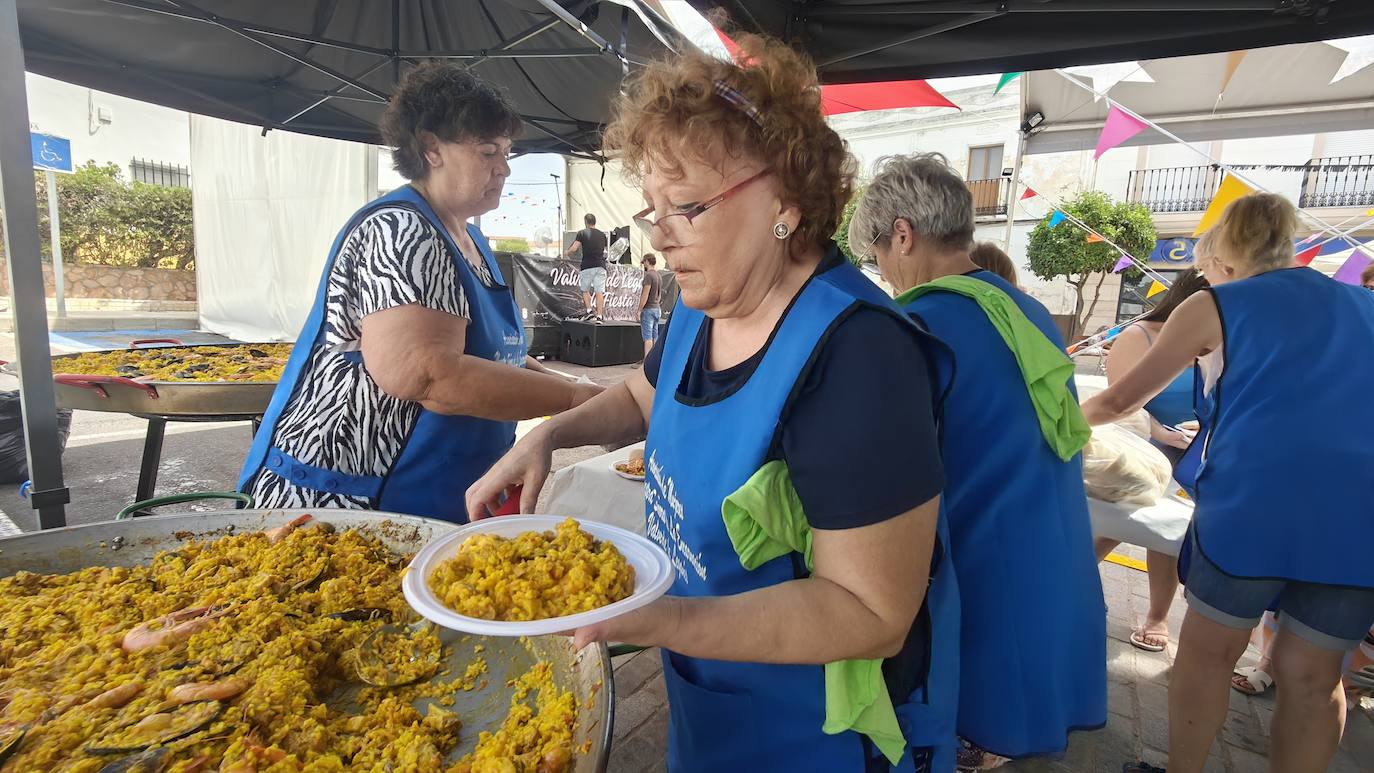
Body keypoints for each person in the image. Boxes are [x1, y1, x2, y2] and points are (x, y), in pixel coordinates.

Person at [469, 36, 963, 772]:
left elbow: (871, 612)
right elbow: (645, 394)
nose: (660, 236)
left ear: (785, 199)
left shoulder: (859, 356)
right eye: (653, 209)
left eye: (688, 207)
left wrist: (666, 618)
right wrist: (550, 435)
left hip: (818, 733)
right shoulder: (705, 303)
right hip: (712, 690)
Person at [1081, 193, 1374, 773]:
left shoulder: (1215, 303)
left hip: (1253, 504)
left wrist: (1046, 421)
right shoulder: (1362, 303)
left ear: (1223, 258)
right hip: (1356, 516)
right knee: (1315, 678)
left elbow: (1120, 400)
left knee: (1208, 655)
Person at [238, 64, 601, 524]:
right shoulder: (400, 229)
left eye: (507, 152)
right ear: (431, 148)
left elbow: (494, 356)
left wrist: (583, 392)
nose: (504, 168)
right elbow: (429, 375)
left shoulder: (471, 240)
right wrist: (573, 402)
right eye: (488, 151)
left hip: (437, 491)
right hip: (345, 502)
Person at [848, 153, 1106, 767]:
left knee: (969, 713)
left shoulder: (917, 324)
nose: (883, 272)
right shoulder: (1025, 308)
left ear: (903, 234)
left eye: (877, 254)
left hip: (980, 562)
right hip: (1051, 553)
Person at [1093, 269, 1210, 654]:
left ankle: (1157, 616)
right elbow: (1120, 402)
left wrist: (1208, 429)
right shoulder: (1139, 335)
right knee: (1118, 523)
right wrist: (1164, 434)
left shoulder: (1220, 343)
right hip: (1143, 446)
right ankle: (1065, 584)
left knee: (1171, 532)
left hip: (1199, 450)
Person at [565, 213, 608, 321]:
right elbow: (605, 251)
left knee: (585, 290)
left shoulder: (582, 233)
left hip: (587, 265)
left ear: (586, 222)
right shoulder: (603, 235)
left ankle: (589, 311)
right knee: (599, 292)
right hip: (600, 265)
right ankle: (599, 316)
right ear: (595, 222)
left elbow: (574, 248)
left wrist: (567, 252)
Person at [638, 253, 663, 357]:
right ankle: (654, 359)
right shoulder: (658, 275)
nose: (643, 264)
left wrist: (639, 310)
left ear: (647, 262)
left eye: (644, 262)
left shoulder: (649, 275)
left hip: (648, 309)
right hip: (657, 308)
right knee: (654, 336)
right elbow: (659, 295)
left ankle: (647, 361)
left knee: (647, 338)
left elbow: (645, 294)